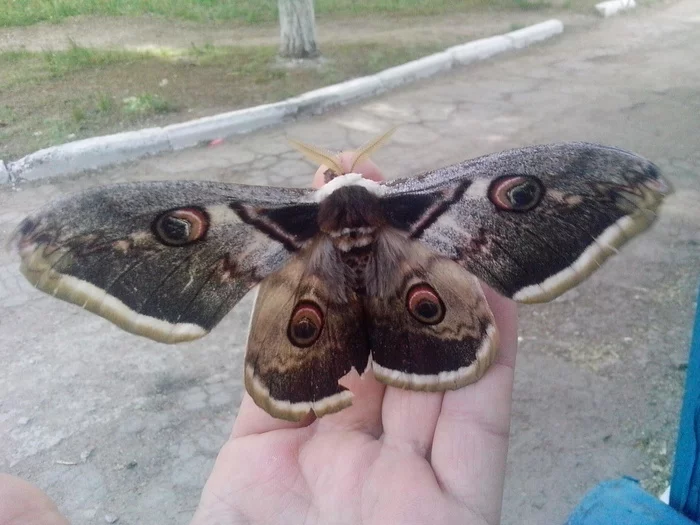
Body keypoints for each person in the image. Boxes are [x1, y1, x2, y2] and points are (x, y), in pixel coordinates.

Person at [0, 154, 518, 525]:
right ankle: (419, 311)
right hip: (408, 276)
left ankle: (331, 329)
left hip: (308, 288)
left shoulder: (264, 216)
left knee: (300, 318)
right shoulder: (432, 200)